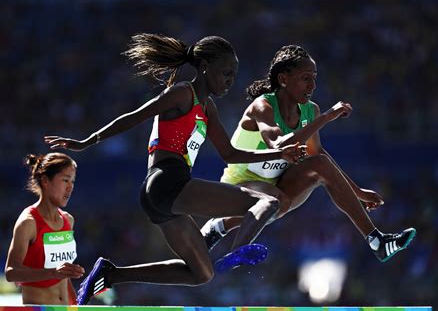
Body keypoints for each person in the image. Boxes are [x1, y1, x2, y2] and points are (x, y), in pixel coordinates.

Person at [44, 34, 306, 305]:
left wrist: (278, 152)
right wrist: (88, 141)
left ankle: (111, 275)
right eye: (226, 73)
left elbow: (230, 153)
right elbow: (136, 116)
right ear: (205, 66)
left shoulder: (208, 108)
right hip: (166, 180)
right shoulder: (183, 93)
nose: (230, 81)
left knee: (201, 273)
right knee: (267, 201)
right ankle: (238, 251)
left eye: (234, 75)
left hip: (164, 196)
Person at [201, 45, 416, 262]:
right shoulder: (263, 106)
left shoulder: (309, 110)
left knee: (319, 164)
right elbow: (278, 144)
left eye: (314, 78)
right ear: (283, 79)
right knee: (273, 199)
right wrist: (325, 118)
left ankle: (377, 241)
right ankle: (231, 244)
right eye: (306, 78)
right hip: (240, 184)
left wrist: (358, 193)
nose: (313, 85)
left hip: (277, 187)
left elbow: (320, 157)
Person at [4, 153, 85, 305]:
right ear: (45, 181)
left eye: (73, 181)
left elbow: (64, 277)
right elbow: (11, 272)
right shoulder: (28, 222)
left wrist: (76, 307)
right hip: (39, 308)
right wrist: (54, 272)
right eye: (65, 180)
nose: (70, 187)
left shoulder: (68, 220)